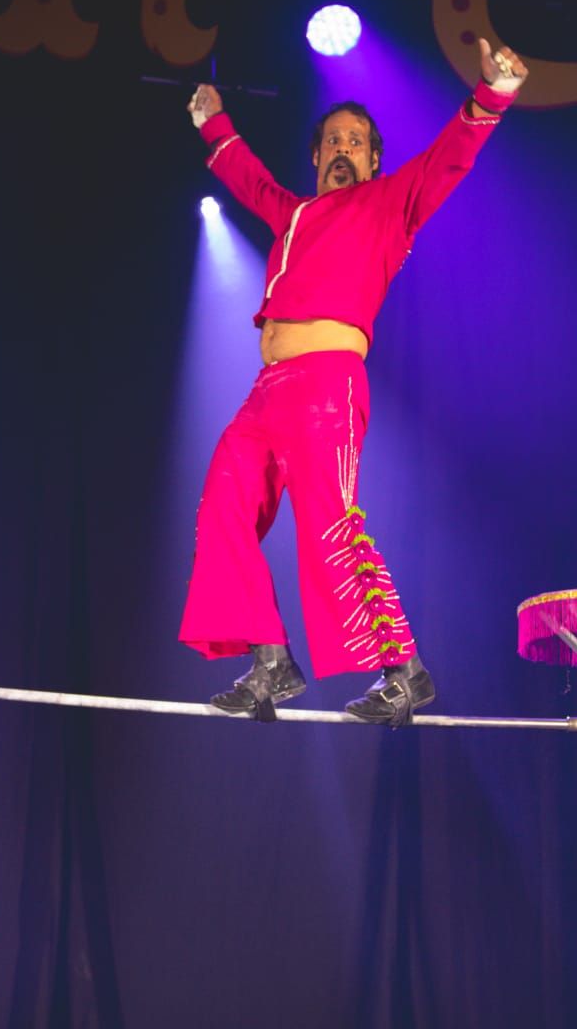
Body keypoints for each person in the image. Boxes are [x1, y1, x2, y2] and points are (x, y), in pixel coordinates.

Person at [178, 36, 527, 726]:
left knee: (330, 525)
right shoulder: (295, 213)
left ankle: (403, 670)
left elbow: (449, 157)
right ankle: (272, 661)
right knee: (222, 499)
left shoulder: (390, 205)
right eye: (331, 140)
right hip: (266, 393)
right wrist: (212, 122)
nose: (342, 149)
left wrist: (494, 93)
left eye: (356, 142)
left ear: (373, 159)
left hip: (327, 387)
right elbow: (249, 179)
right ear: (315, 157)